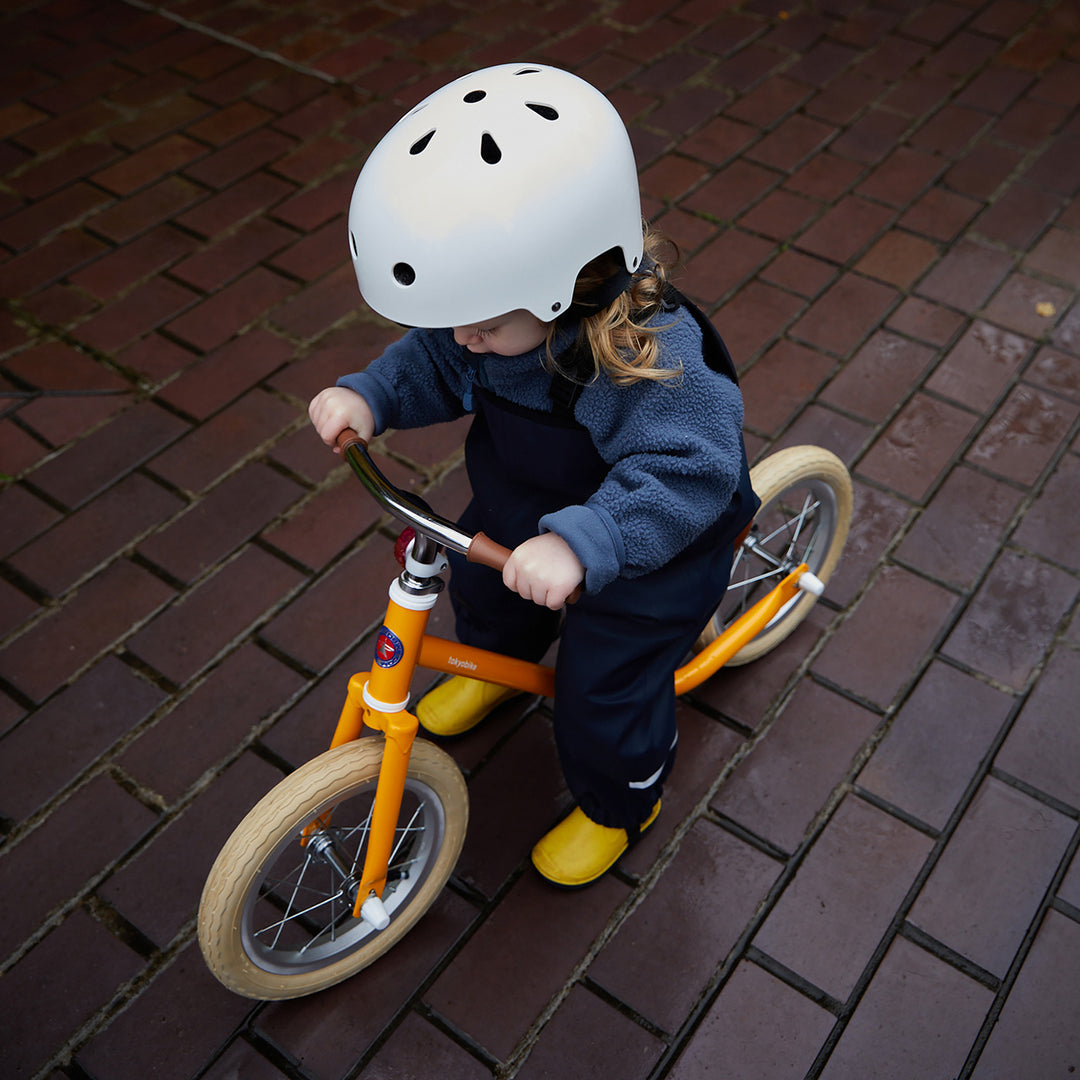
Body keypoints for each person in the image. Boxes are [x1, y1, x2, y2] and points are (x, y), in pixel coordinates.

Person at [309, 63, 759, 888]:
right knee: (483, 595)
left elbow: (688, 472)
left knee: (603, 690)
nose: (464, 339)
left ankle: (623, 802)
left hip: (649, 546)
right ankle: (495, 672)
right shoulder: (491, 317)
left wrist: (588, 544)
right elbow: (434, 363)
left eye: (481, 324)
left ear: (573, 283)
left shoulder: (646, 362)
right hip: (532, 513)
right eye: (455, 318)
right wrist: (370, 396)